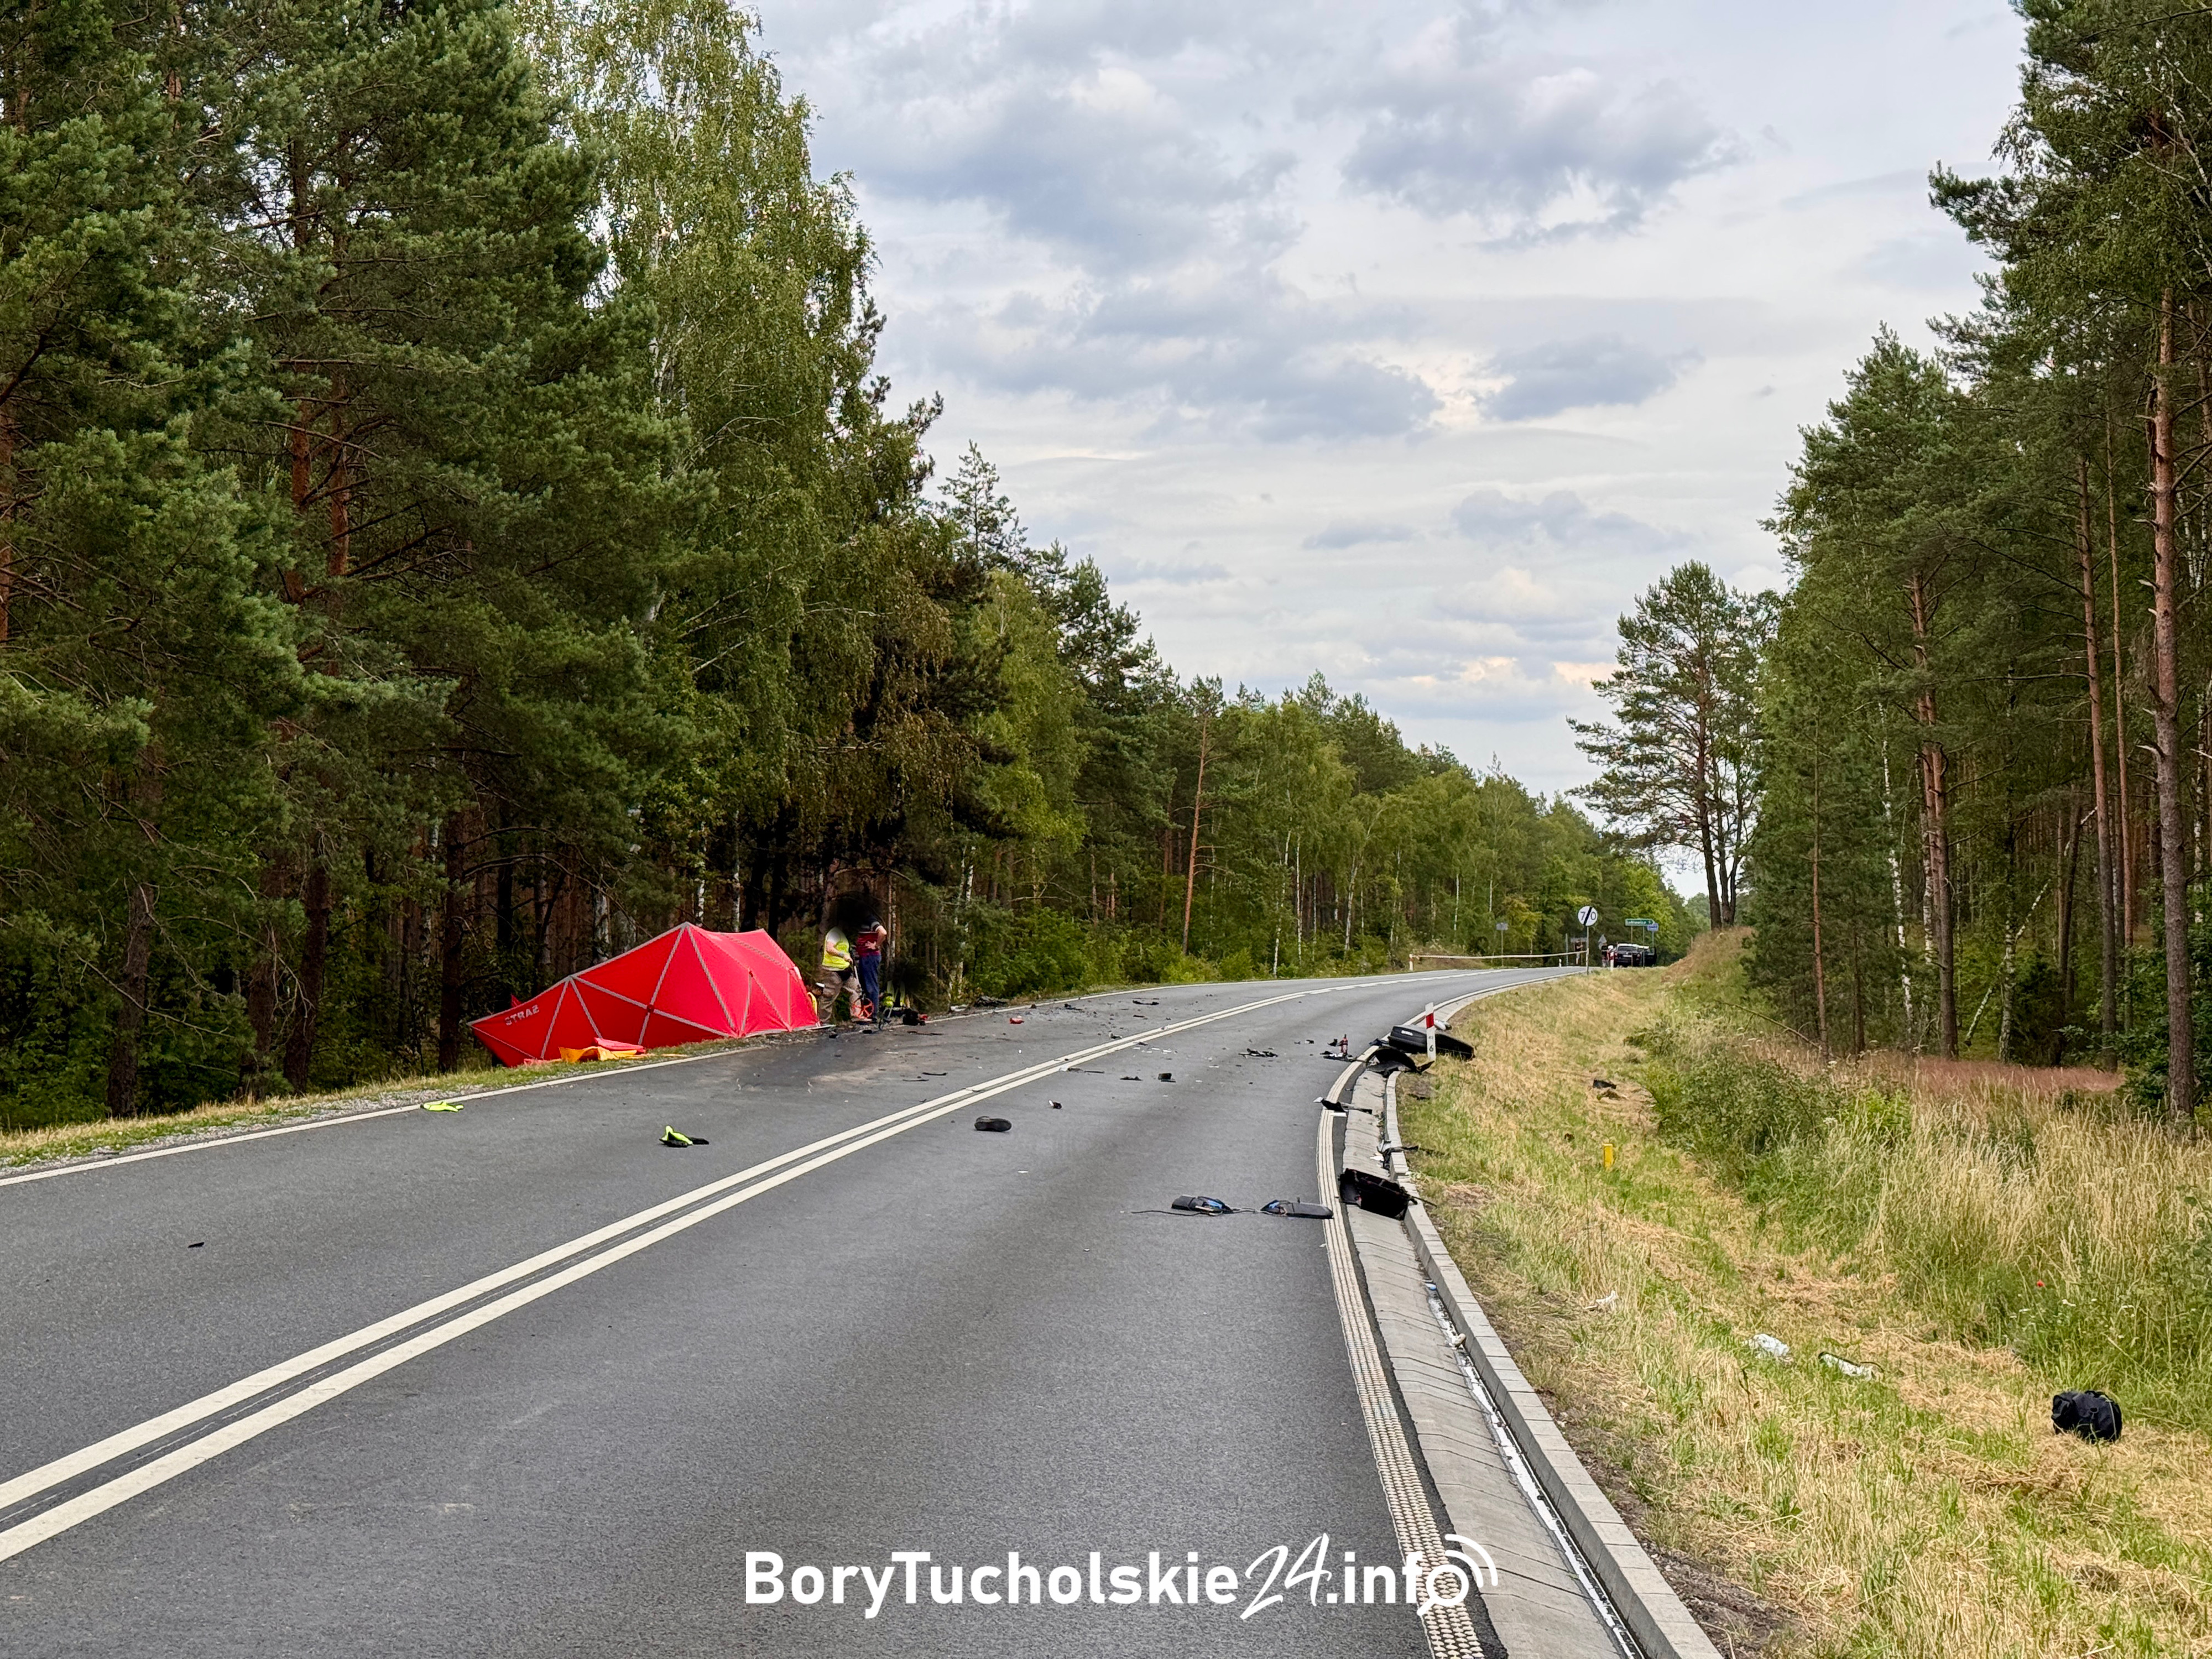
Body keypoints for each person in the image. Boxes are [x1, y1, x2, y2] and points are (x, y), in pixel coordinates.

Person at [818, 925, 854, 1022]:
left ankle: (858, 1017)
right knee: (828, 997)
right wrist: (843, 955)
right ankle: (823, 1022)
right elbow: (829, 949)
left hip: (845, 970)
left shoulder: (843, 935)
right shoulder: (835, 933)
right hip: (832, 971)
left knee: (856, 992)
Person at [854, 918, 886, 1024]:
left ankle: (873, 1014)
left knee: (871, 985)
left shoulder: (870, 919)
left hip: (870, 957)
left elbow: (883, 932)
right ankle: (868, 1013)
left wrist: (876, 946)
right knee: (865, 985)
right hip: (865, 957)